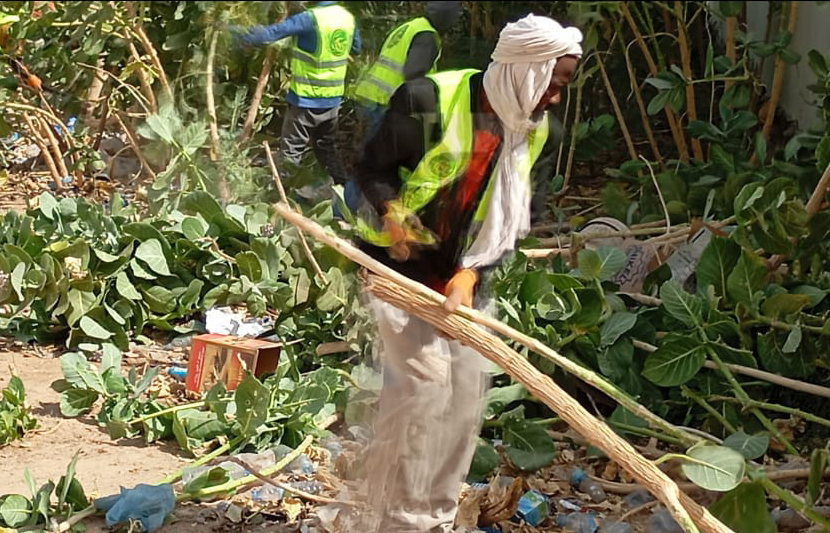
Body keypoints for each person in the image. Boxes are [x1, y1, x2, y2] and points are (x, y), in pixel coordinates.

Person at [350, 14, 583, 533]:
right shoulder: (428, 101)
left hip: (467, 276)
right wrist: (392, 211)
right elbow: (371, 169)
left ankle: (422, 516)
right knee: (426, 389)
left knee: (463, 401)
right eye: (553, 83)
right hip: (399, 269)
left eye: (562, 87)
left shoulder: (537, 131)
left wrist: (474, 273)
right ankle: (402, 523)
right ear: (524, 69)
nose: (554, 98)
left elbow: (519, 218)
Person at [236, 2, 361, 205]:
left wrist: (239, 35)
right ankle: (346, 193)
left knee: (290, 153)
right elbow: (356, 48)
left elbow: (269, 35)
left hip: (306, 100)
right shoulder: (347, 18)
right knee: (326, 149)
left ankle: (280, 200)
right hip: (332, 101)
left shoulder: (309, 19)